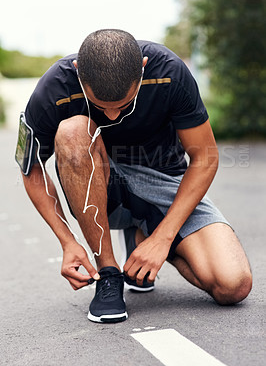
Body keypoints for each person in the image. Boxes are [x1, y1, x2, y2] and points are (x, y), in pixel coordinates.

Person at [17, 29, 252, 323]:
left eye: (124, 104)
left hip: (162, 182)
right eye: (102, 107)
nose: (113, 116)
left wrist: (163, 240)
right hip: (99, 191)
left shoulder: (169, 72)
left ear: (142, 68)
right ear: (78, 73)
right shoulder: (53, 88)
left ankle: (146, 235)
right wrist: (68, 241)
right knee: (73, 130)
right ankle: (109, 273)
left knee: (233, 285)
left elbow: (205, 157)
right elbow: (30, 168)